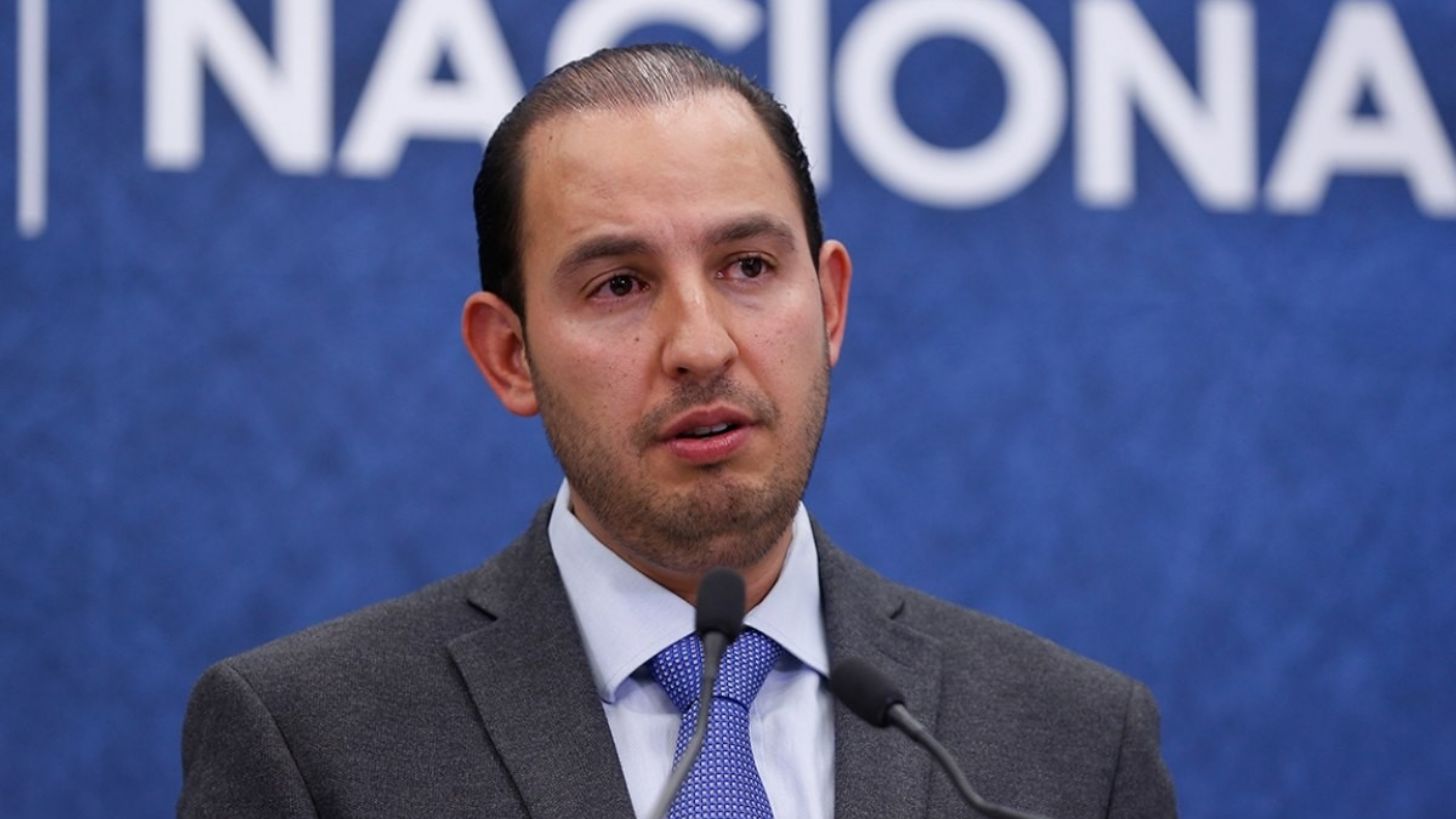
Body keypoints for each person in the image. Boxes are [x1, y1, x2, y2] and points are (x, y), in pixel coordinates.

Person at [178, 44, 1178, 818]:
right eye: (619, 284)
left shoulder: (1072, 746)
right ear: (509, 355)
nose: (700, 346)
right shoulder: (312, 744)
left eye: (748, 267)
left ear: (830, 305)